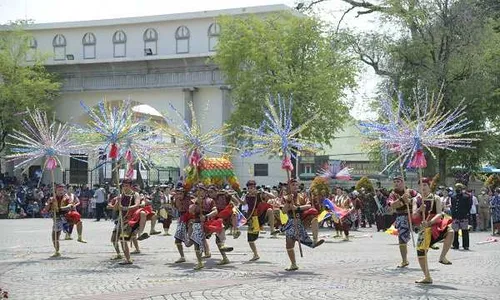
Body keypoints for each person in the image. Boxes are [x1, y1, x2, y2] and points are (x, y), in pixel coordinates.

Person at [413, 178, 453, 284]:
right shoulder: (416, 200)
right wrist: (419, 209)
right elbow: (413, 215)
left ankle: (442, 256)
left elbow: (440, 214)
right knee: (421, 253)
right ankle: (427, 277)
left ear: (429, 186)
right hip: (423, 229)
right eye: (420, 185)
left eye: (425, 185)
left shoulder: (436, 198)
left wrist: (430, 222)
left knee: (450, 231)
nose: (423, 187)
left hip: (435, 225)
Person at [282, 178, 324, 271]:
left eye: (296, 185)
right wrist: (288, 202)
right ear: (288, 187)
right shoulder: (285, 197)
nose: (295, 187)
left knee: (314, 216)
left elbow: (309, 206)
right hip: (291, 222)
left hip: (302, 220)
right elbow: (284, 211)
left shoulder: (303, 195)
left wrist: (297, 208)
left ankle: (315, 240)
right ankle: (293, 264)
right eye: (293, 185)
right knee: (289, 245)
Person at [239, 180, 278, 262]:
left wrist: (264, 191)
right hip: (252, 218)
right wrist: (234, 196)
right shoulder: (247, 196)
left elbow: (273, 197)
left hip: (260, 215)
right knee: (250, 240)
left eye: (252, 188)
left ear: (255, 187)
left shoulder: (259, 195)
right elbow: (243, 203)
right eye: (249, 188)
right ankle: (256, 254)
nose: (250, 189)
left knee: (270, 210)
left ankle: (272, 230)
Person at [387, 175, 419, 268]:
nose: (396, 183)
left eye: (398, 181)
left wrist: (411, 200)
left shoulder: (411, 191)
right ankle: (404, 260)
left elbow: (419, 198)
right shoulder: (392, 194)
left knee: (424, 231)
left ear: (403, 182)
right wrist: (401, 200)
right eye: (395, 182)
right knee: (402, 239)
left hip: (414, 215)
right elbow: (391, 205)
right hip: (402, 216)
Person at [173, 184, 194, 264]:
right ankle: (182, 256)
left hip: (191, 218)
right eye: (177, 193)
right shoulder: (176, 199)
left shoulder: (190, 198)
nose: (179, 195)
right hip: (182, 219)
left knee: (194, 239)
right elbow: (178, 208)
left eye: (181, 193)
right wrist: (176, 200)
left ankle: (202, 254)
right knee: (177, 240)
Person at [451, 183, 472, 250]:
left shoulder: (466, 197)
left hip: (463, 216)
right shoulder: (453, 197)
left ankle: (466, 245)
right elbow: (453, 206)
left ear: (461, 188)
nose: (458, 189)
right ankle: (455, 245)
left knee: (465, 231)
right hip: (455, 216)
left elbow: (469, 206)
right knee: (455, 232)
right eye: (457, 188)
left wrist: (466, 213)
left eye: (459, 188)